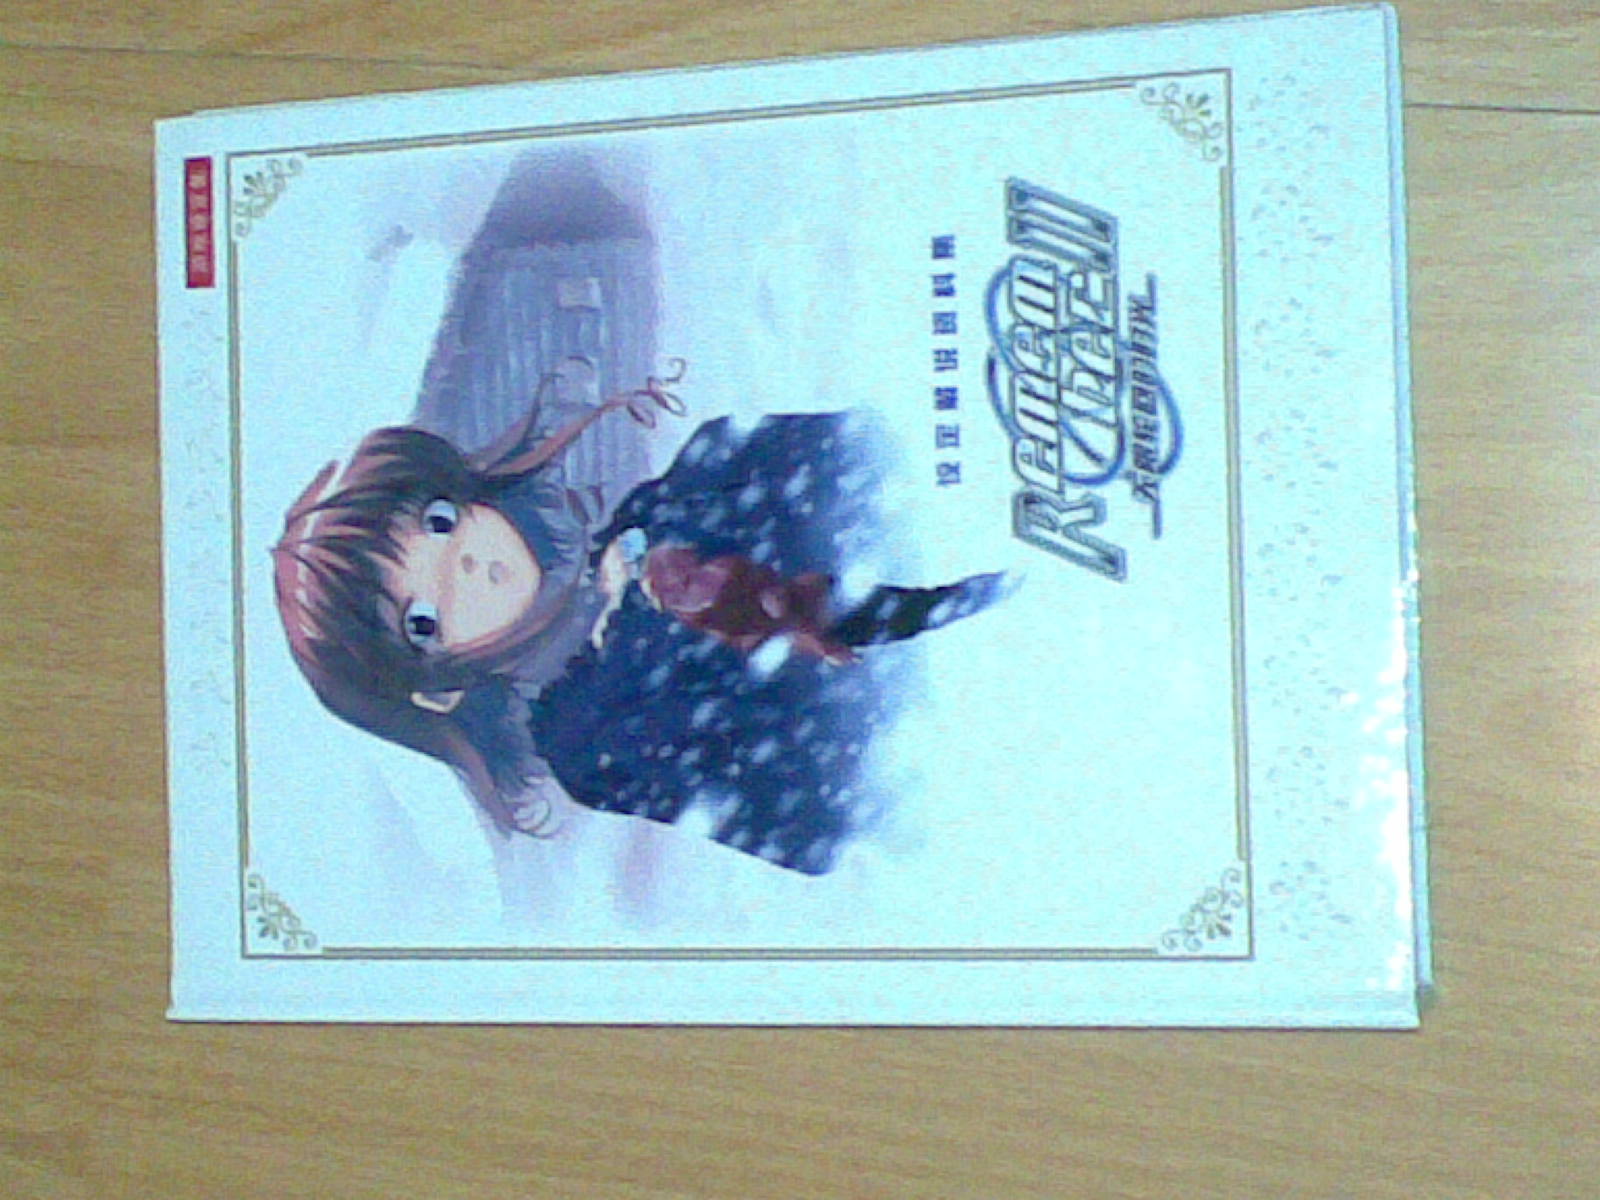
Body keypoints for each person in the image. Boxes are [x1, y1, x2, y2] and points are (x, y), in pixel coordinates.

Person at [273, 371, 1009, 874]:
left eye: (438, 524)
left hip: (956, 573)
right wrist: (669, 609)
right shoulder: (584, 742)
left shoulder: (661, 505)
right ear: (434, 687)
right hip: (940, 740)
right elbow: (817, 816)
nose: (458, 566)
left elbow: (879, 454)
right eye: (423, 620)